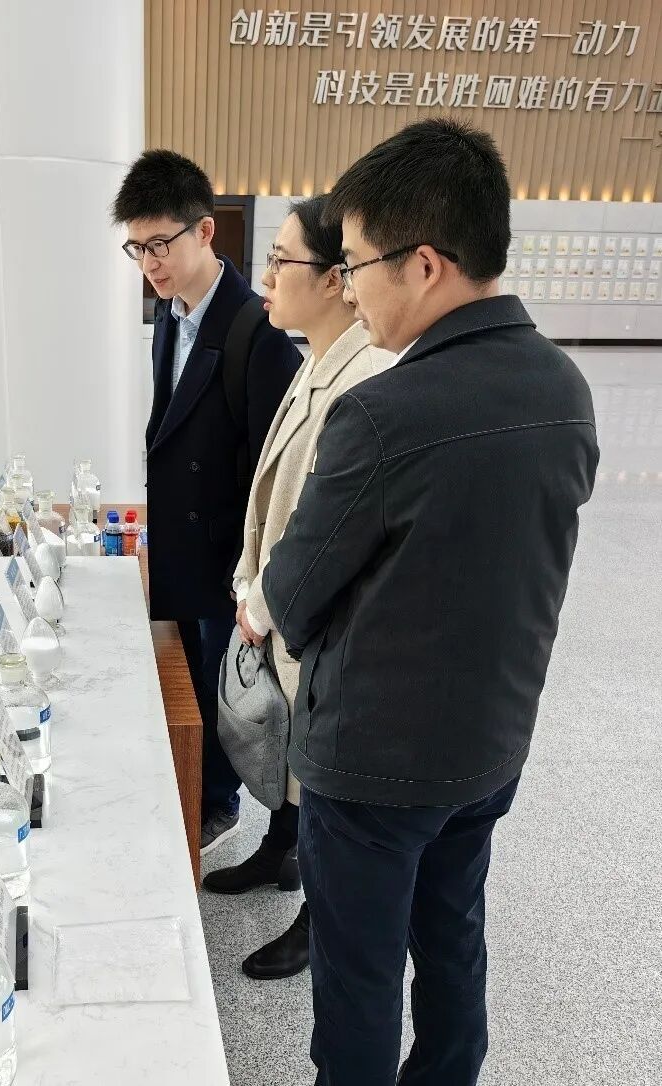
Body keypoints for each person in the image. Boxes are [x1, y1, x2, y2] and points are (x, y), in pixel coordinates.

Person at [262, 119, 599, 1086]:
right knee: (453, 944)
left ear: (423, 264)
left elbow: (291, 593)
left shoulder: (384, 411)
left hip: (370, 766)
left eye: (356, 263)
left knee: (359, 981)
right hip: (489, 745)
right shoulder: (564, 387)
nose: (349, 287)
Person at [202, 195, 391, 981]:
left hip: (314, 622)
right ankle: (280, 851)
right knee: (287, 757)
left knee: (315, 772)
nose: (267, 276)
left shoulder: (365, 377)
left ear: (340, 278)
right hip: (279, 606)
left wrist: (263, 601)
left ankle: (319, 918)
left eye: (283, 261)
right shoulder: (316, 356)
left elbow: (325, 530)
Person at [112, 150, 301, 854]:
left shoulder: (258, 329)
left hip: (231, 556)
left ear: (205, 232)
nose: (150, 263)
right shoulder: (170, 314)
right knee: (193, 678)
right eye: (138, 247)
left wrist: (254, 578)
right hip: (185, 543)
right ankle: (202, 792)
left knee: (236, 691)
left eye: (161, 244)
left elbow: (278, 472)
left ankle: (237, 815)